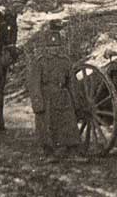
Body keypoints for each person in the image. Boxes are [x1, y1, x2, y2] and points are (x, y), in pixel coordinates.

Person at [27, 19, 81, 161]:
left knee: (69, 122)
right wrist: (37, 103)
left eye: (57, 46)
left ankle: (73, 151)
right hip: (47, 97)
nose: (54, 50)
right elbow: (34, 84)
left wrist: (75, 100)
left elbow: (71, 82)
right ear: (46, 47)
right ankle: (49, 153)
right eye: (51, 47)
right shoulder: (40, 62)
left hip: (63, 96)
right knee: (47, 125)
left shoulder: (65, 61)